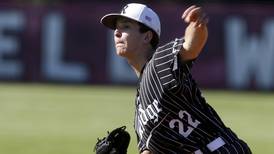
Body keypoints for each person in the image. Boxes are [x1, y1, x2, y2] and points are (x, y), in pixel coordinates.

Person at [100, 3, 251, 154]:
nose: (116, 33)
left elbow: (191, 47)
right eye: (116, 28)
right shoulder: (139, 110)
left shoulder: (159, 62)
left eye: (125, 26)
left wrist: (197, 24)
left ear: (147, 36)